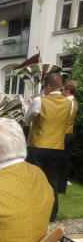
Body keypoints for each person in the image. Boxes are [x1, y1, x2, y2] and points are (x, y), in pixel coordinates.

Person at [24, 73, 72, 221]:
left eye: (44, 86)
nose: (43, 89)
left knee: (34, 181)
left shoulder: (39, 101)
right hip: (57, 147)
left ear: (49, 86)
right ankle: (51, 215)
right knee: (52, 182)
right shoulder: (69, 104)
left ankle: (32, 212)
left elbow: (27, 119)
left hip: (37, 146)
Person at [59, 80, 79, 193]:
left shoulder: (67, 103)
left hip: (64, 134)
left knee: (58, 160)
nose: (61, 92)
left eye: (62, 90)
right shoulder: (74, 102)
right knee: (65, 161)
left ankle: (58, 185)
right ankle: (61, 188)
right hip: (70, 133)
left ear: (67, 91)